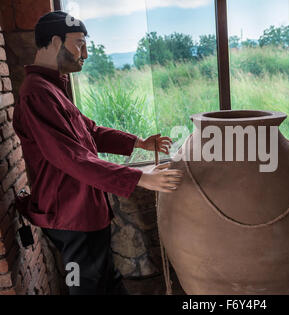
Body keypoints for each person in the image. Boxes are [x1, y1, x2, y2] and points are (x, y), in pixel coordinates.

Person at [12, 11, 183, 295]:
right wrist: (139, 178)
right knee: (83, 286)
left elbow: (90, 132)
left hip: (85, 212)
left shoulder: (52, 88)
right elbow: (70, 158)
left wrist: (139, 142)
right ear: (55, 41)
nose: (86, 53)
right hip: (71, 216)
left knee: (106, 279)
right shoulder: (37, 94)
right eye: (79, 43)